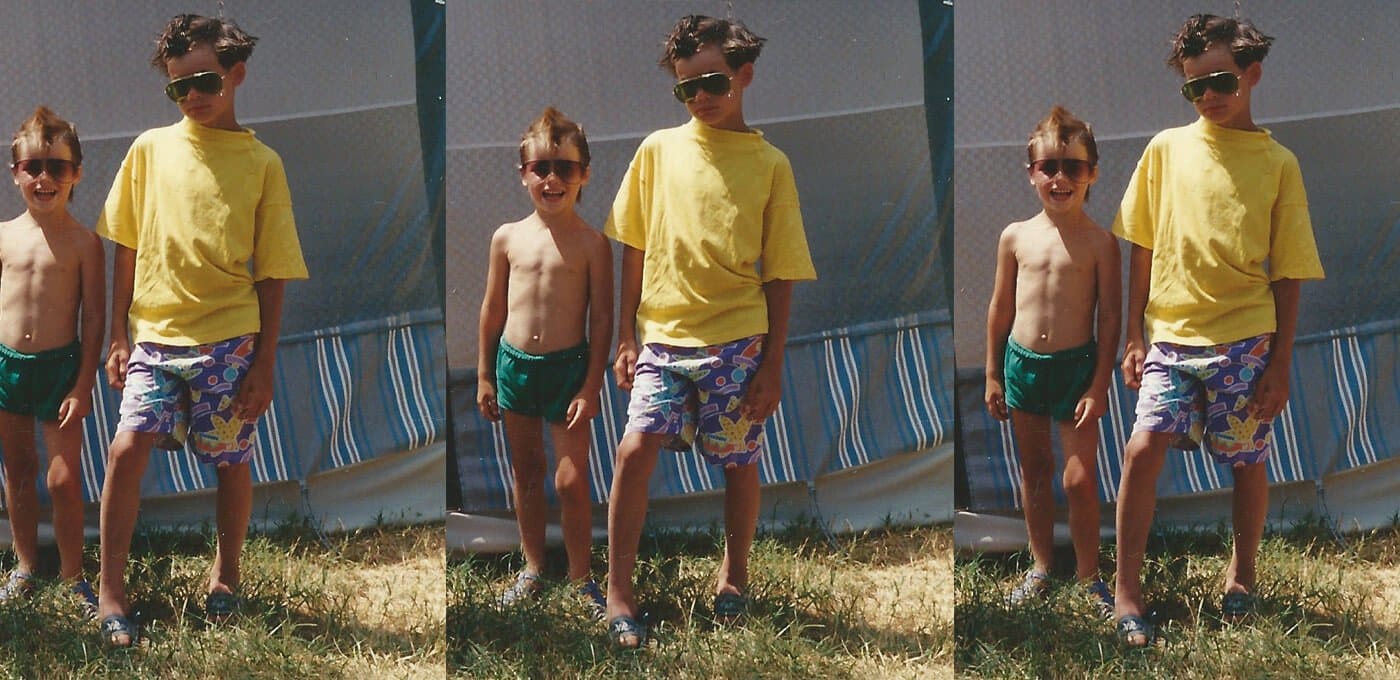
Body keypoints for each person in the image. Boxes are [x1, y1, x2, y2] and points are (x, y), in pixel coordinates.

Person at [602, 14, 817, 649]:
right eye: (685, 86)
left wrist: (773, 365)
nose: (700, 96)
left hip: (738, 344)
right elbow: (633, 247)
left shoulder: (771, 164)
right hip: (662, 340)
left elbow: (781, 272)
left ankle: (736, 575)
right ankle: (618, 592)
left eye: (714, 81)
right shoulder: (656, 151)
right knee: (634, 450)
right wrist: (624, 335)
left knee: (738, 462)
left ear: (745, 75)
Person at [94, 14, 308, 647]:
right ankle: (110, 592)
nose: (193, 95)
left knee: (230, 461)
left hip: (231, 343)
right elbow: (126, 246)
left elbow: (273, 271)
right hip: (154, 339)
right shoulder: (148, 150)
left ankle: (228, 576)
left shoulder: (262, 162)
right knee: (126, 448)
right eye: (178, 86)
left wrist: (264, 364)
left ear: (237, 74)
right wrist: (116, 334)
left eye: (207, 79)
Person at [1111, 14, 1324, 647]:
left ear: (1253, 74)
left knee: (1246, 461)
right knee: (1142, 449)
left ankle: (1243, 576)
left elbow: (1289, 271)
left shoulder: (1278, 163)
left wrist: (1280, 365)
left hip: (1247, 343)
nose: (1209, 95)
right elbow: (1141, 246)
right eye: (1194, 85)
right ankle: (1126, 592)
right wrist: (1132, 334)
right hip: (1171, 339)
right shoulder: (1165, 150)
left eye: (1223, 79)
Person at [477, 106, 613, 620]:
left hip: (567, 371)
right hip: (514, 368)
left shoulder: (593, 245)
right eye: (541, 168)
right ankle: (533, 567)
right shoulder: (507, 237)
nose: (553, 179)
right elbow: (491, 309)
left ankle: (582, 578)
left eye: (566, 168)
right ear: (523, 174)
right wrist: (487, 373)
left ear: (584, 175)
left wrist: (591, 385)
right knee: (527, 471)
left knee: (570, 479)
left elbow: (601, 319)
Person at [985, 106, 1120, 617]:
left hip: (1076, 370)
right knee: (1035, 470)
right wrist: (994, 372)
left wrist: (1099, 384)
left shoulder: (1102, 243)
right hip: (1022, 367)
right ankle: (1041, 565)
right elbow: (999, 307)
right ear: (1031, 173)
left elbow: (1109, 319)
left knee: (1078, 479)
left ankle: (1090, 576)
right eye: (1049, 168)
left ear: (1093, 173)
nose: (1060, 178)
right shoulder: (1015, 236)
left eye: (1074, 167)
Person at [0, 107, 105, 615]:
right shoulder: (2, 235)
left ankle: (73, 576)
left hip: (61, 370)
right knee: (18, 471)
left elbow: (96, 321)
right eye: (33, 167)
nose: (45, 178)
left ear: (77, 172)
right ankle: (24, 564)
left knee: (62, 479)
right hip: (7, 369)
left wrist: (83, 385)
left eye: (57, 168)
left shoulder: (86, 243)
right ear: (15, 171)